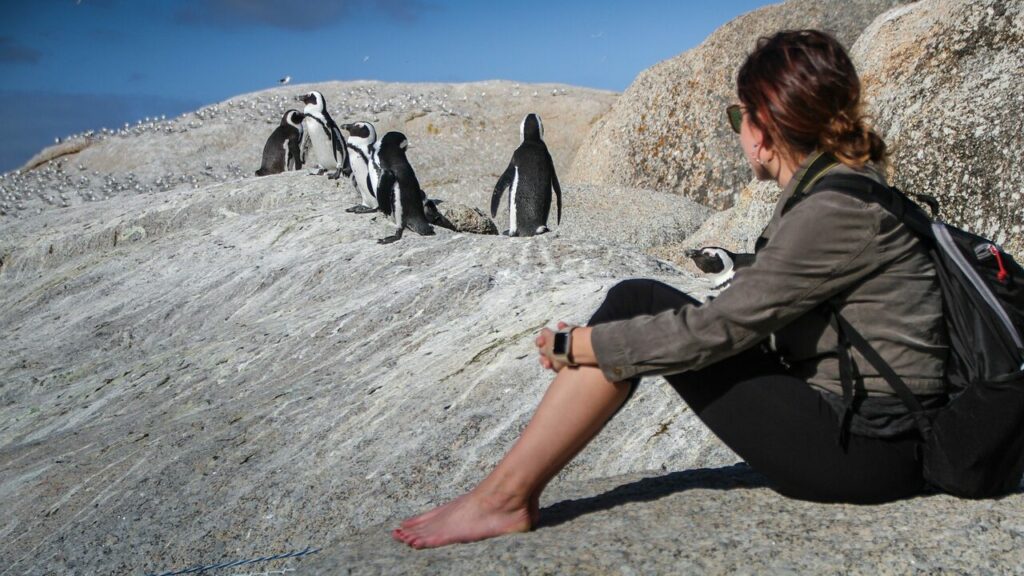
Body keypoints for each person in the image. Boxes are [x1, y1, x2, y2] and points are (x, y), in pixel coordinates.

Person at [392, 29, 950, 549]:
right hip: (873, 430)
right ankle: (504, 495)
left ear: (767, 128)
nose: (739, 133)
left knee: (638, 300)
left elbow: (719, 330)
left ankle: (504, 499)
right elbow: (752, 311)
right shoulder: (840, 194)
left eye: (740, 116)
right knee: (640, 306)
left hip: (871, 449)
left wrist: (581, 346)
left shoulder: (834, 210)